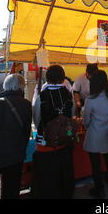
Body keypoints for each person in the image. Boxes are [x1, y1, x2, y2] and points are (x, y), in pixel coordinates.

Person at [31, 65, 75, 199]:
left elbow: (36, 118)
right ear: (63, 77)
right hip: (65, 140)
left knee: (48, 175)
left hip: (46, 143)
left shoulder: (42, 95)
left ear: (47, 77)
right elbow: (72, 115)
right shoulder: (68, 93)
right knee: (65, 171)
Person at [83, 70, 108, 198]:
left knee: (95, 164)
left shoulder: (90, 99)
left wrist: (87, 126)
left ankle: (99, 189)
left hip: (94, 136)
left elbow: (86, 120)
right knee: (107, 159)